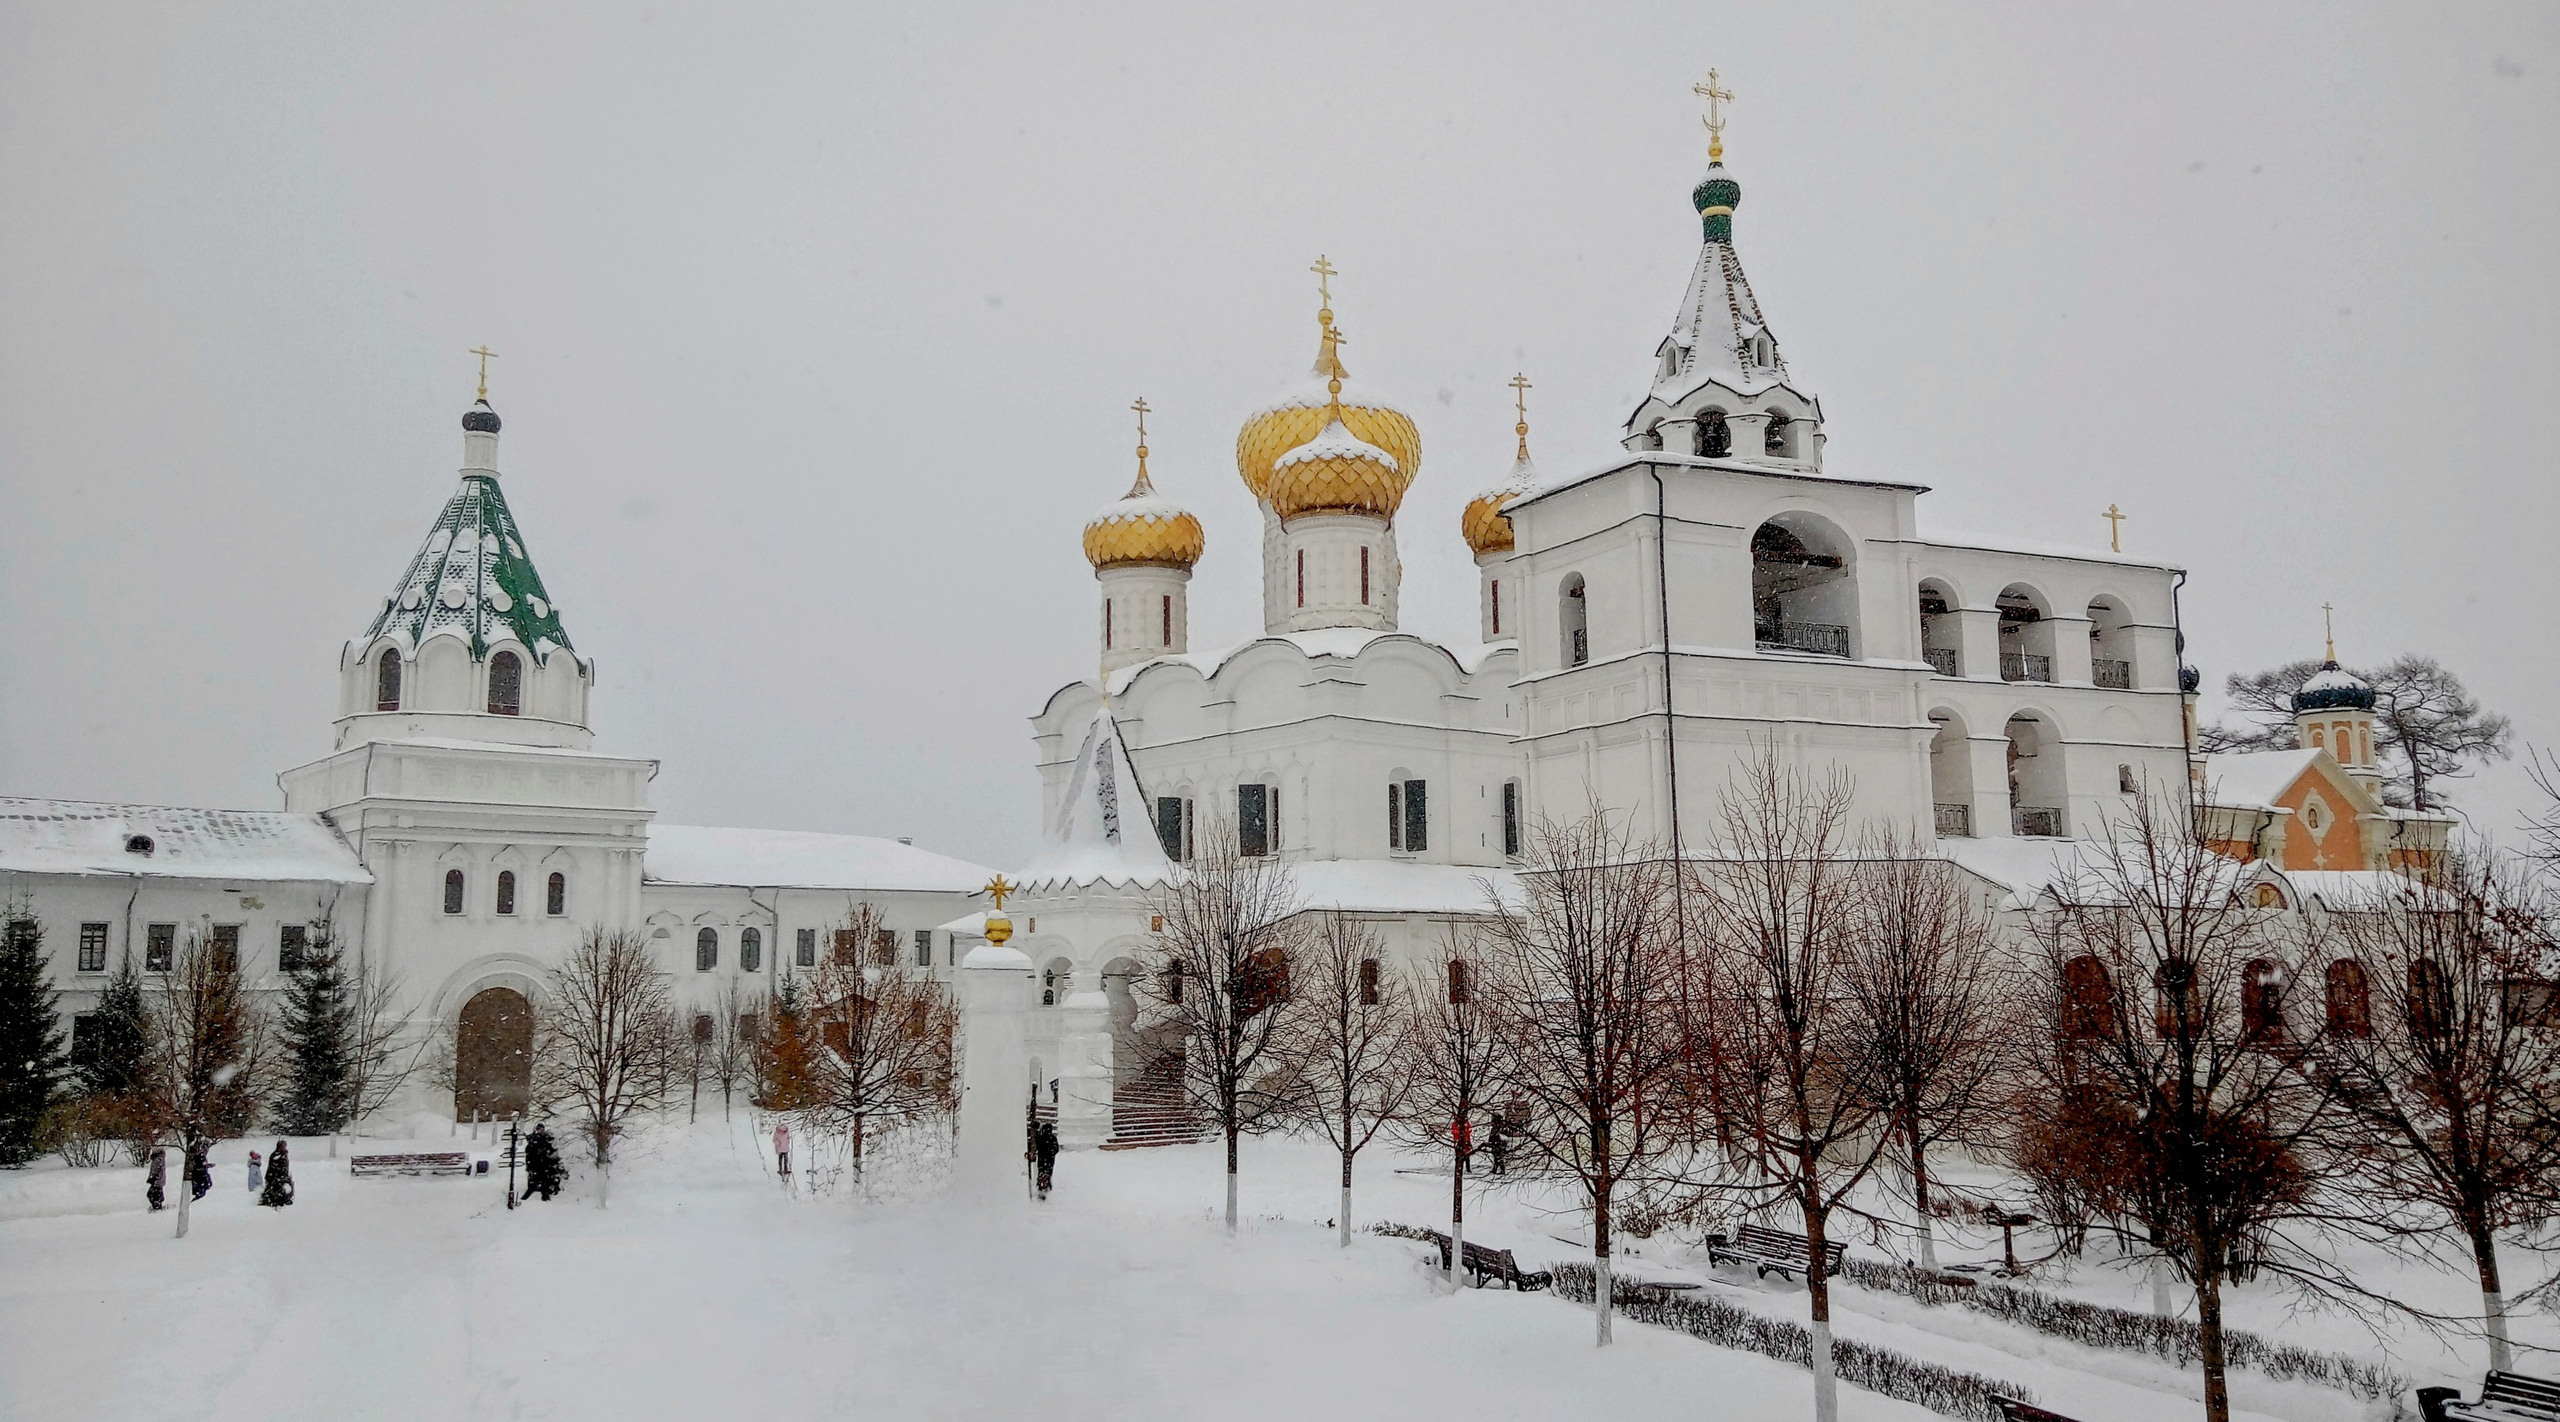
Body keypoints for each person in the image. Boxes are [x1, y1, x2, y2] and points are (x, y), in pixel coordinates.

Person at [260, 1140, 294, 1208]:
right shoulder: (276, 1156)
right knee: (275, 1191)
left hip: (279, 1178)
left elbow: (284, 1168)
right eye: (282, 1146)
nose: (283, 1147)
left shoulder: (283, 1154)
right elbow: (273, 1168)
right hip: (274, 1178)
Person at [1032, 1119, 1060, 1200]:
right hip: (1050, 1160)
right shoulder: (1053, 1138)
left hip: (1042, 1159)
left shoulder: (1041, 1138)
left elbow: (1036, 1145)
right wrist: (1051, 1153)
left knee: (1041, 1172)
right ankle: (1047, 1184)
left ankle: (1041, 1187)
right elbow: (1056, 1149)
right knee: (1048, 1172)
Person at [146, 1147, 166, 1212]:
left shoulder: (158, 1159)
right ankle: (157, 1205)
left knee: (152, 1194)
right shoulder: (157, 1158)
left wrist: (155, 1178)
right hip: (157, 1180)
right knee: (155, 1194)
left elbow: (159, 1170)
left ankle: (157, 1206)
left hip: (157, 1181)